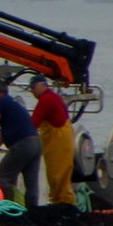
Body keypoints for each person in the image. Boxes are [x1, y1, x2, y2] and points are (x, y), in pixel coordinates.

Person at [29, 74, 75, 205]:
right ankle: (61, 201)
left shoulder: (46, 100)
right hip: (63, 139)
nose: (32, 90)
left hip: (58, 141)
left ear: (43, 85)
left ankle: (64, 203)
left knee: (57, 174)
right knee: (61, 173)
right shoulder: (53, 97)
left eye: (33, 87)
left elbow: (34, 123)